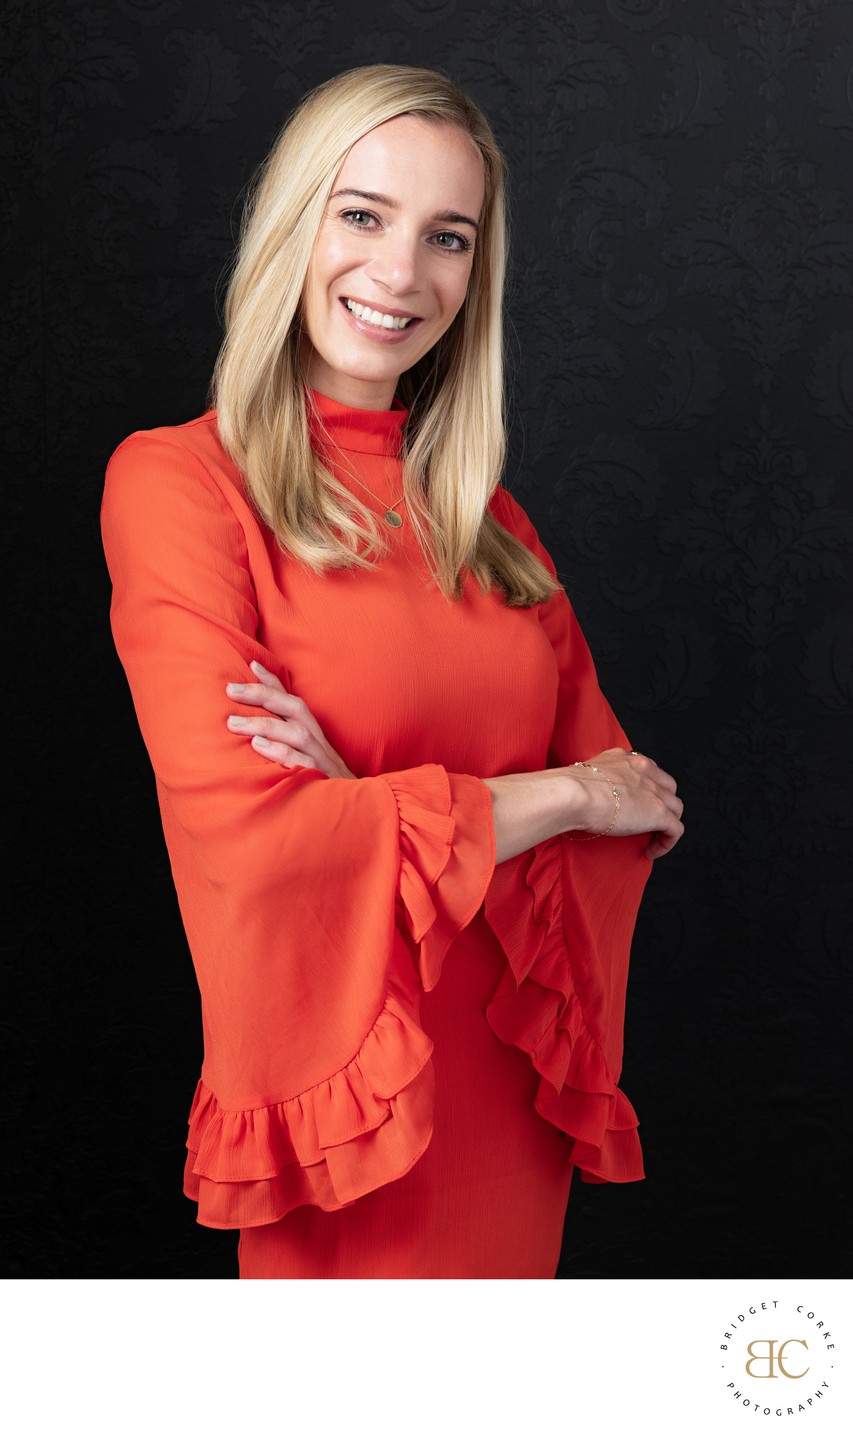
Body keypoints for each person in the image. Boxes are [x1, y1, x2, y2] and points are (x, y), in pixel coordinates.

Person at [101, 63, 683, 1279]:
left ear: (477, 276)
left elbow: (640, 807)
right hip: (345, 1104)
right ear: (293, 222)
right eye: (360, 214)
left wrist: (367, 796)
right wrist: (550, 798)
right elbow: (257, 844)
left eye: (447, 237)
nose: (399, 273)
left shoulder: (492, 527)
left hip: (503, 1109)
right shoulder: (179, 486)